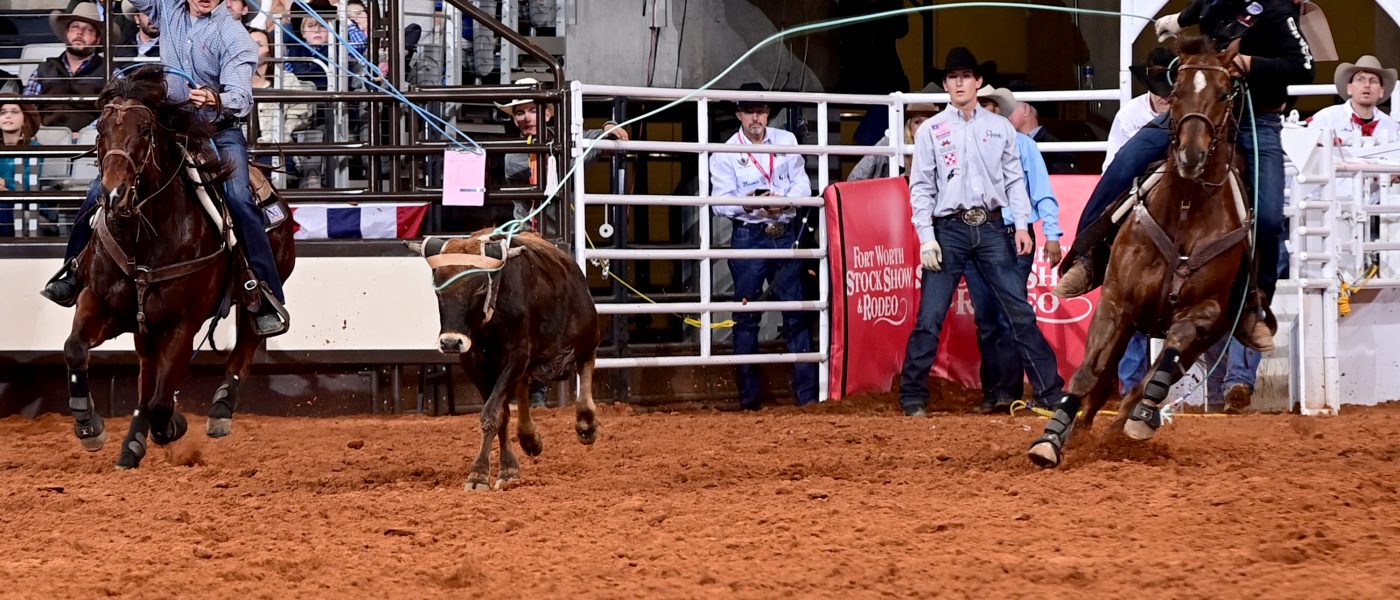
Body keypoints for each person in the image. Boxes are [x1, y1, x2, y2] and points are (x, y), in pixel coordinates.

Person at [1055, 0, 1315, 354]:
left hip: (1257, 119)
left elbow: (1303, 67)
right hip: (1201, 110)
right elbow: (1203, 7)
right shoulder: (1214, 4)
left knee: (1268, 217)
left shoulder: (1276, 11)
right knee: (1124, 162)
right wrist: (1180, 19)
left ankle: (1253, 305)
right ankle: (1087, 257)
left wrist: (1251, 64)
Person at [40, 0, 289, 338]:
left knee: (239, 199)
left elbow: (240, 98)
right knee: (101, 187)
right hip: (169, 121)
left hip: (218, 128)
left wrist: (213, 98)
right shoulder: (169, 9)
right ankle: (72, 272)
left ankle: (263, 293)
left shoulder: (235, 37)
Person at [897, 48, 1063, 418]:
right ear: (946, 84)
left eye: (965, 76)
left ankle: (1051, 391)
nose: (958, 83)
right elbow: (921, 185)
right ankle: (912, 395)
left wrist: (1022, 225)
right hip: (949, 227)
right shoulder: (932, 131)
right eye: (952, 77)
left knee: (1017, 312)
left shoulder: (1000, 129)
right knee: (931, 315)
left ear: (978, 82)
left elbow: (1015, 181)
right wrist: (926, 236)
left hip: (991, 225)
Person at [710, 83, 817, 410]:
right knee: (748, 318)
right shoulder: (725, 152)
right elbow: (722, 203)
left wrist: (781, 201)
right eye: (750, 111)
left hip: (780, 229)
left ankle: (807, 399)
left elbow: (802, 184)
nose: (756, 117)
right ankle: (750, 400)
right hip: (752, 231)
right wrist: (753, 204)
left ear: (767, 112)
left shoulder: (786, 141)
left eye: (761, 110)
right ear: (740, 114)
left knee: (795, 313)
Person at [961, 84, 1063, 413]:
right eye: (983, 106)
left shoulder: (1023, 147)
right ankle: (996, 392)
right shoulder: (968, 148)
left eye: (992, 106)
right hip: (980, 233)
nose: (987, 111)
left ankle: (1007, 391)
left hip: (1011, 234)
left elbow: (1042, 191)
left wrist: (1052, 233)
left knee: (1007, 317)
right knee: (989, 318)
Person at [1111, 47, 1176, 397]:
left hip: (1182, 203)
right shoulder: (1130, 115)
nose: (1164, 92)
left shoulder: (1192, 110)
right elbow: (1114, 165)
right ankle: (1085, 256)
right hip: (1140, 197)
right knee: (1128, 291)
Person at [495, 77, 628, 237]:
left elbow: (602, 136)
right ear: (515, 120)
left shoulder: (565, 139)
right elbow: (560, 171)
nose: (527, 118)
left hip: (567, 235)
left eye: (534, 110)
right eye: (520, 113)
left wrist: (609, 125)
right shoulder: (514, 155)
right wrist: (590, 147)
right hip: (530, 238)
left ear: (547, 114)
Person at [24, 3, 108, 136]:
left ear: (98, 39)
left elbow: (113, 111)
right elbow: (27, 107)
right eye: (75, 27)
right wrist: (39, 130)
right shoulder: (44, 69)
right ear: (66, 33)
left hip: (90, 141)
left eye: (88, 30)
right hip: (43, 137)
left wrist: (87, 133)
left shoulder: (108, 71)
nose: (80, 32)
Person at [1305, 55, 1398, 144]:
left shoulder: (1390, 126)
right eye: (1360, 79)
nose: (1367, 85)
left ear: (1381, 91)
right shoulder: (1326, 118)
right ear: (1349, 88)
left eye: (1373, 81)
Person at [847, 93, 938, 181]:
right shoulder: (890, 142)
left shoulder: (943, 144)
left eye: (928, 122)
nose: (922, 127)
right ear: (909, 125)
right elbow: (855, 177)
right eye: (917, 122)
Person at [0, 97, 44, 237]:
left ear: (25, 118)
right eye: (2, 112)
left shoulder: (35, 149)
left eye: (14, 112)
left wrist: (4, 183)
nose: (7, 115)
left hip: (19, 201)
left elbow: (27, 182)